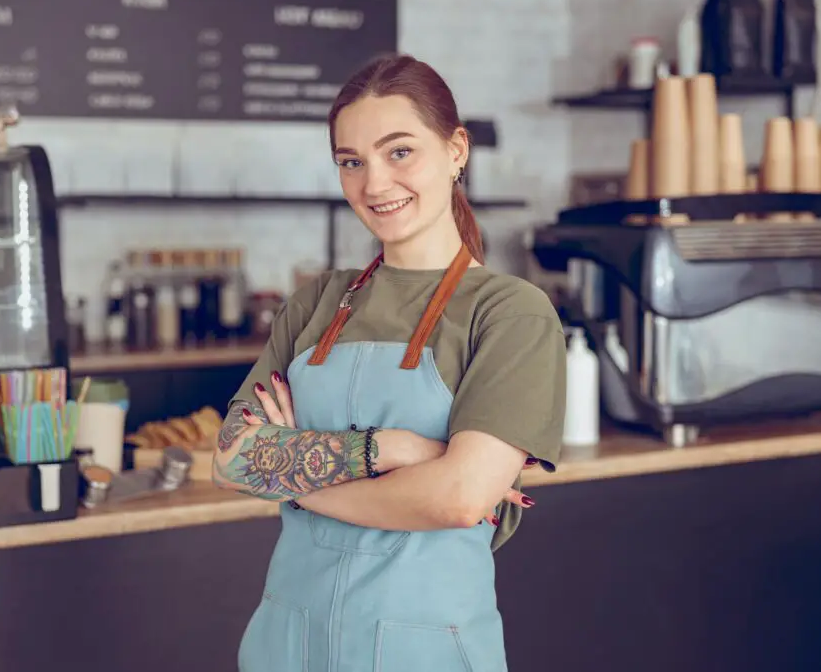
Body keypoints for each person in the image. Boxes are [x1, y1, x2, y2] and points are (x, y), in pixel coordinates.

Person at [213, 53, 566, 672]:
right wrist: (388, 450)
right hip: (287, 643)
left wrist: (293, 482)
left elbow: (458, 498)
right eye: (351, 162)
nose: (374, 184)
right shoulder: (315, 304)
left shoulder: (512, 314)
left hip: (422, 648)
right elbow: (232, 459)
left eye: (399, 151)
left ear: (457, 149)